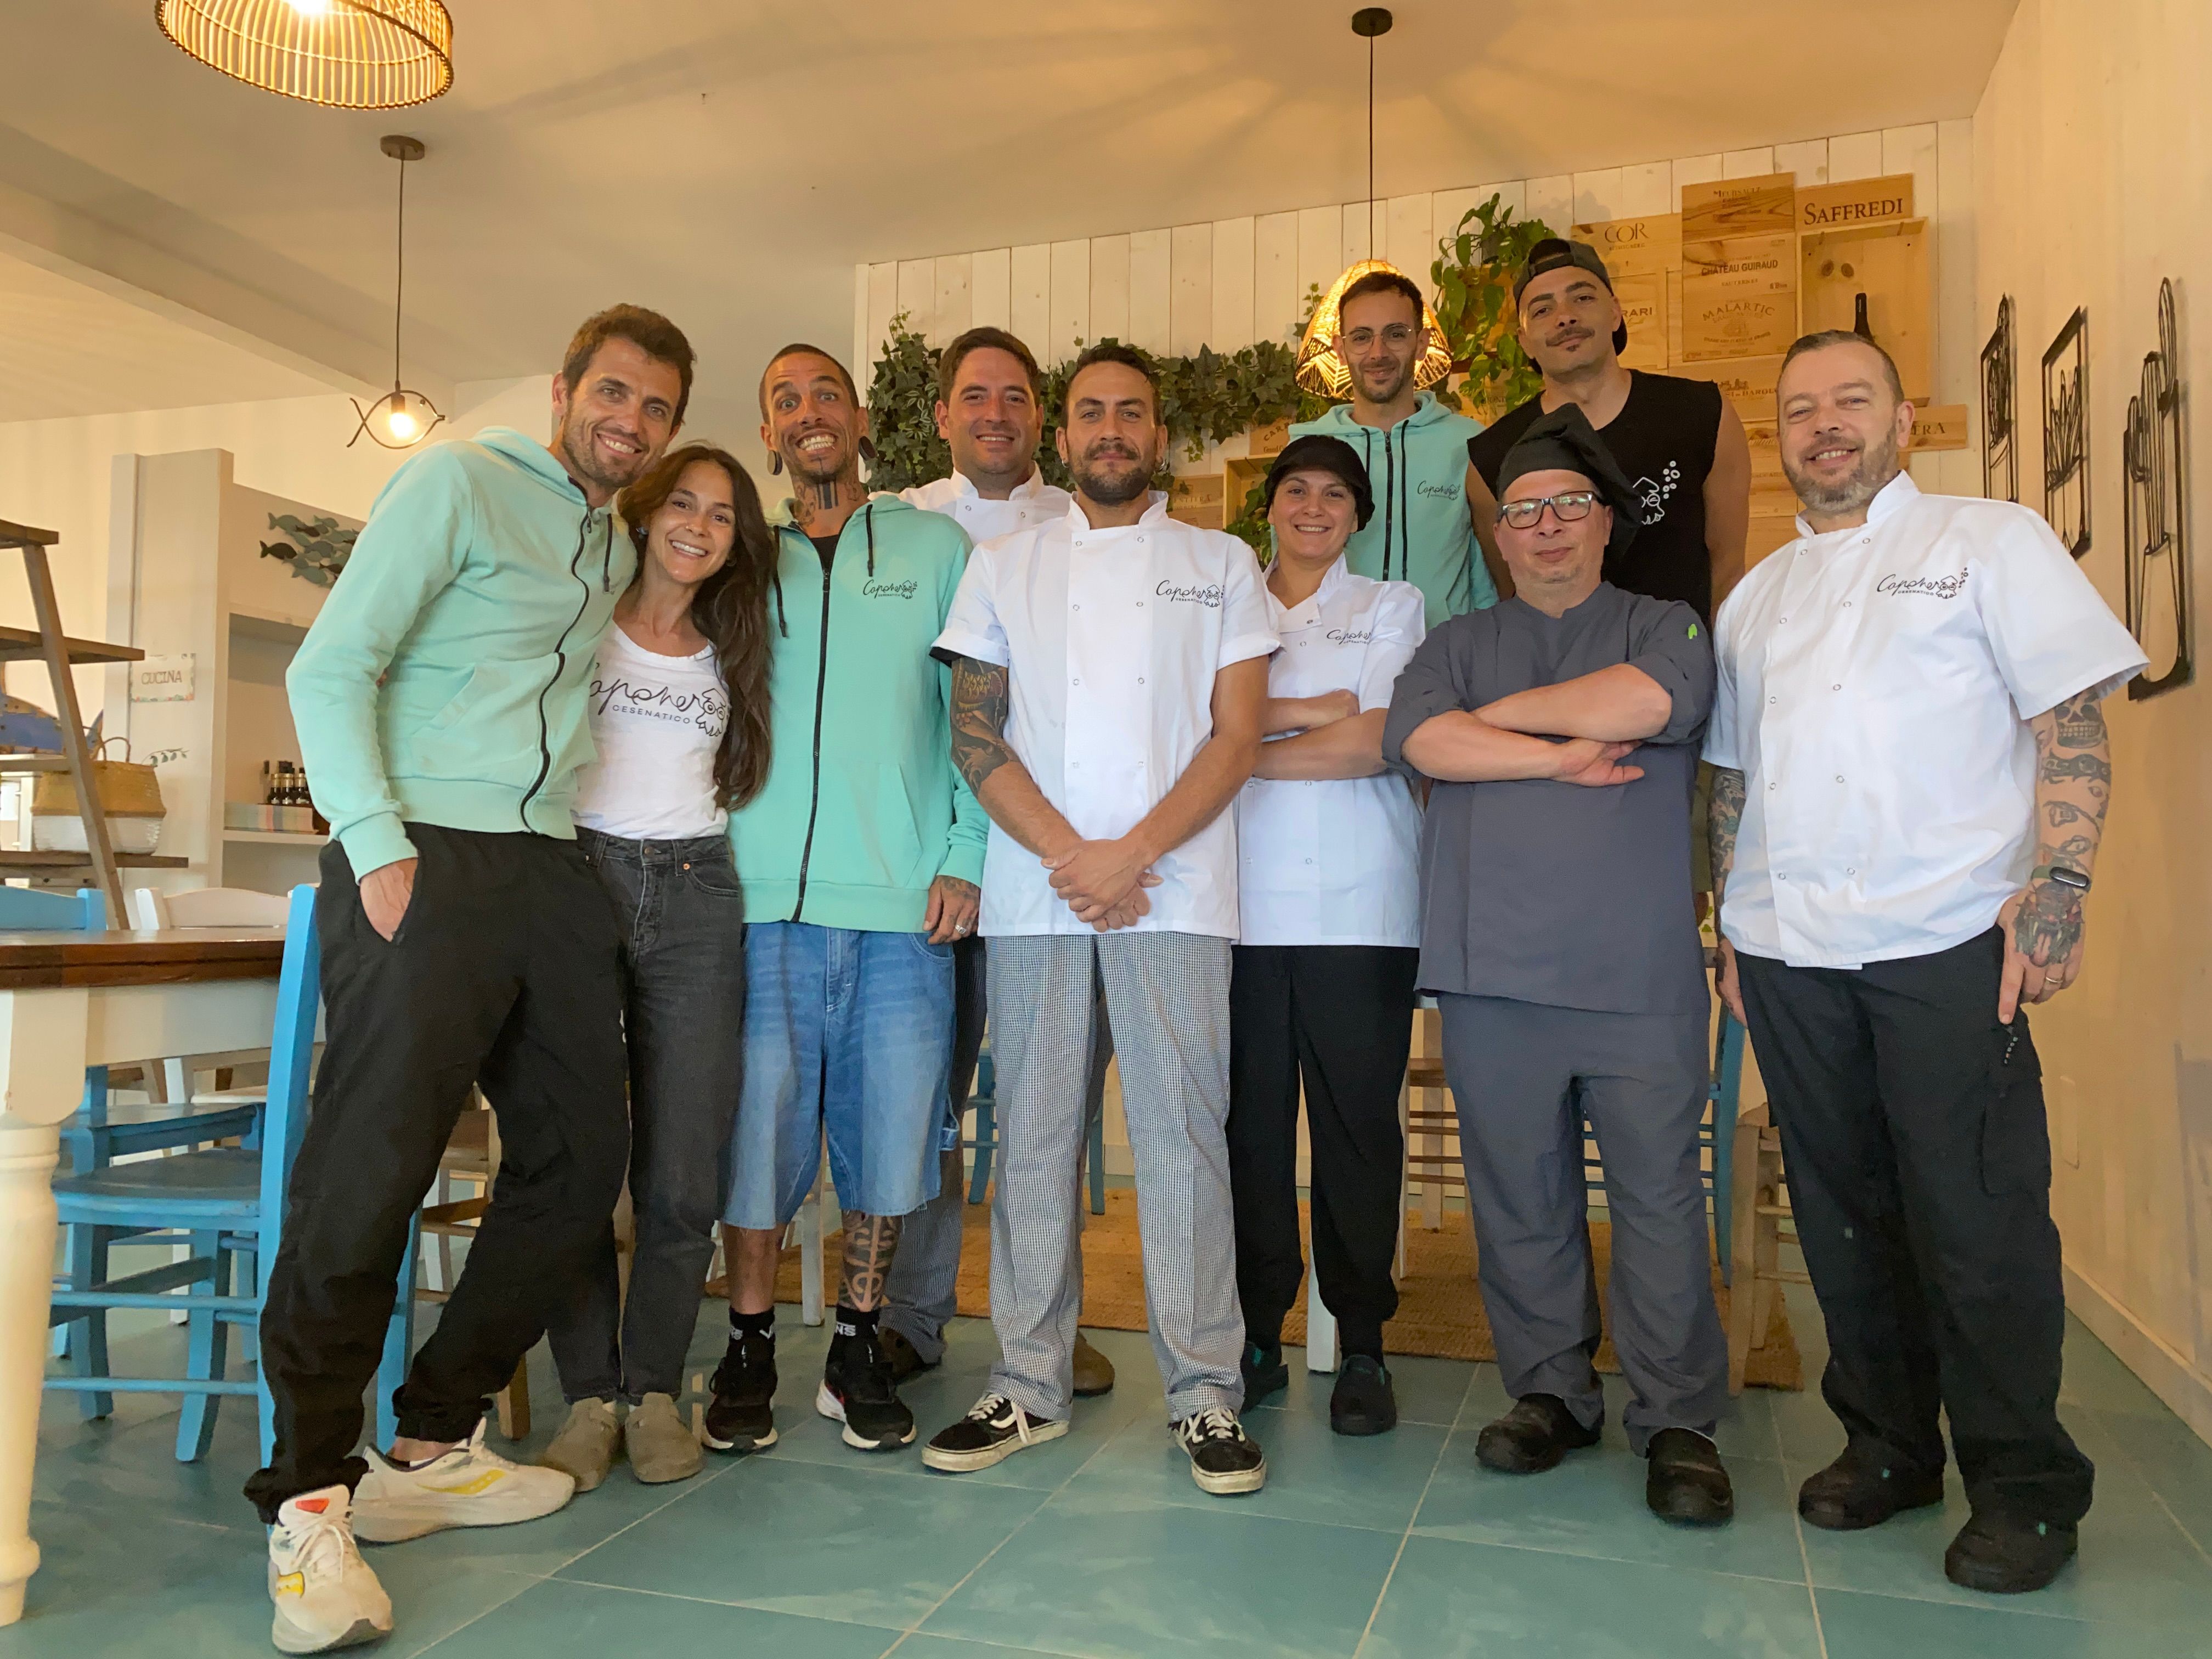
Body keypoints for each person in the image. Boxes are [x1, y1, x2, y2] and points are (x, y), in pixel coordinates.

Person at [264, 304, 693, 1654]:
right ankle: (308, 1504)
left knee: (582, 1159)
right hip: (424, 854)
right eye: (613, 392)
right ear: (565, 391)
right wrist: (376, 843)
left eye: (657, 408)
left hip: (547, 864)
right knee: (370, 1176)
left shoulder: (611, 538)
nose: (630, 421)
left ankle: (428, 1443)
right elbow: (333, 664)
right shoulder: (456, 481)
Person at [1706, 331, 2147, 1594]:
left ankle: (2024, 1487)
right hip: (1788, 952)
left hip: (1951, 941)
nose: (1825, 424)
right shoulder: (1756, 600)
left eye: (1852, 400)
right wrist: (1727, 924)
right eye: (1802, 408)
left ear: (1904, 421)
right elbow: (1733, 779)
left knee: (1978, 1218)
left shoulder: (1990, 543)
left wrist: (2062, 886)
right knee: (1844, 1219)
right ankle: (1890, 1445)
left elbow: (2070, 719)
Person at [923, 341, 1276, 1494]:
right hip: (1039, 895)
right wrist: (1075, 857)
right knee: (1031, 1137)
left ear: (1159, 435)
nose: (1111, 430)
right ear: (1063, 436)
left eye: (1131, 412)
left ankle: (1205, 1392)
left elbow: (1236, 737)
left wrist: (1131, 854)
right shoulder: (1003, 566)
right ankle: (1027, 1383)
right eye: (1090, 413)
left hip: (1176, 892)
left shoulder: (1221, 562)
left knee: (1182, 1142)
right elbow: (975, 734)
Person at [1383, 403, 1736, 1527]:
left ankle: (1677, 1418)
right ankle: (1550, 1392)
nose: (1543, 527)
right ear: (1498, 536)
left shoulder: (1665, 623)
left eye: (1566, 507)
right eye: (1523, 511)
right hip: (1491, 972)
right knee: (1518, 1196)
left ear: (1603, 523)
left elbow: (1653, 700)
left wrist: (1499, 727)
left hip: (1637, 975)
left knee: (1659, 1201)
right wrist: (1557, 753)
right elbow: (1421, 740)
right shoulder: (1450, 644)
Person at [704, 343, 985, 1460]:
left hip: (903, 907)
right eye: (785, 400)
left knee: (892, 1136)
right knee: (755, 1136)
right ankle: (749, 1343)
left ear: (862, 419)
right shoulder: (739, 558)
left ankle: (859, 1341)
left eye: (826, 393)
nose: (808, 412)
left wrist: (966, 849)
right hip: (759, 906)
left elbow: (975, 712)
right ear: (767, 433)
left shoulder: (936, 547)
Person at [535, 443, 774, 1493]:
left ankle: (655, 1390)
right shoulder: (578, 618)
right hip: (577, 876)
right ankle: (589, 1393)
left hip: (696, 890)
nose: (699, 525)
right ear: (643, 514)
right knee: (578, 1157)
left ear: (735, 542)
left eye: (721, 514)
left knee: (682, 1168)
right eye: (683, 502)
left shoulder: (737, 645)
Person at [886, 326, 1116, 1401]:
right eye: (974, 395)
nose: (994, 413)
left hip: (1046, 866)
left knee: (1047, 1110)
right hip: (931, 866)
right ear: (942, 415)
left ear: (1042, 416)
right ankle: (912, 1313)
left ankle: (1049, 1323)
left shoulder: (1086, 526)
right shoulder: (902, 528)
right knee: (926, 1104)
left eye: (1015, 396)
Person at [1225, 434, 1425, 1436]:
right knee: (1248, 1130)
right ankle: (1257, 1333)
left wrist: (1233, 748)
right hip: (1238, 909)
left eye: (1335, 494)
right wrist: (1307, 714)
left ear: (1358, 515)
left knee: (1357, 1130)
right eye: (1296, 490)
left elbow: (1377, 739)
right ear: (1268, 505)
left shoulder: (1391, 605)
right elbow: (1185, 723)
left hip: (1362, 907)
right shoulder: (1225, 601)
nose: (1313, 507)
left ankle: (1363, 1342)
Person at [1466, 238, 1752, 625]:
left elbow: (1728, 572)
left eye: (1582, 298)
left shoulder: (1702, 413)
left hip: (1685, 657)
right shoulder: (1491, 457)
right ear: (1524, 341)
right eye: (1543, 310)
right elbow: (1513, 593)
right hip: (1562, 663)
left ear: (1616, 312)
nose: (1565, 318)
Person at [1288, 269, 1498, 628]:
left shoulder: (1469, 443)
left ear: (1422, 343)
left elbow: (1493, 564)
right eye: (1361, 337)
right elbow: (1288, 570)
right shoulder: (1306, 448)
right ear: (1340, 350)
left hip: (1445, 654)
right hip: (1334, 653)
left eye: (1396, 334)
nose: (1378, 353)